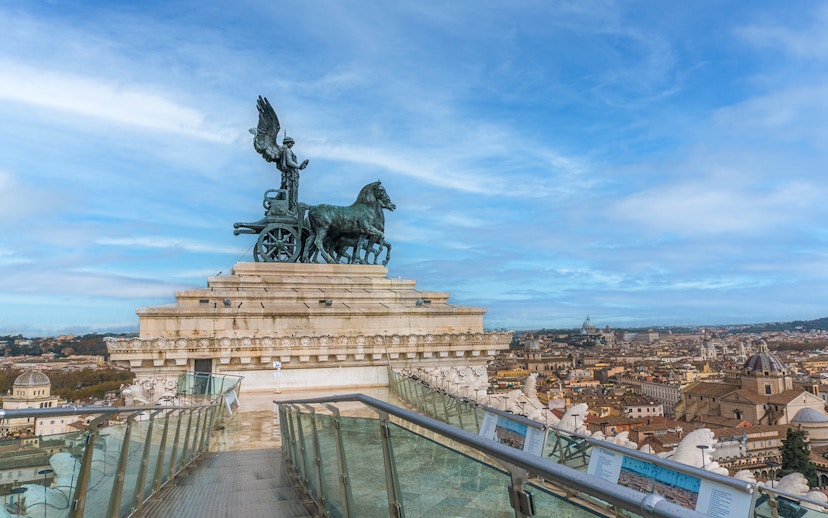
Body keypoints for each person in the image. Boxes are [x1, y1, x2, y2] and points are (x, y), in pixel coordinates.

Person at [278, 136, 309, 212]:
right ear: (288, 142)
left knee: (289, 191)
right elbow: (289, 162)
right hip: (290, 175)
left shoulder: (284, 150)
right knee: (291, 192)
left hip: (290, 175)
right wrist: (299, 166)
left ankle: (288, 209)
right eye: (292, 143)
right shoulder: (288, 150)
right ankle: (290, 210)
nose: (292, 145)